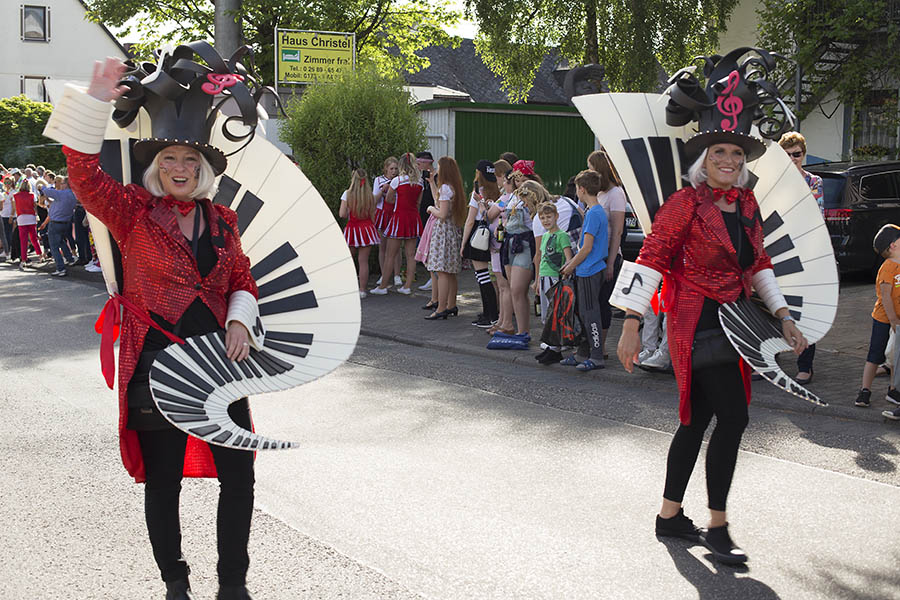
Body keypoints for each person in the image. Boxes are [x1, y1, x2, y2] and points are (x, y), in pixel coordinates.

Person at [45, 52, 269, 599]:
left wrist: (240, 320)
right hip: (156, 363)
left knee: (239, 477)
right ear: (156, 163)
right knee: (163, 481)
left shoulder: (223, 220)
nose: (179, 166)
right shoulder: (130, 212)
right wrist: (97, 99)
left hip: (220, 367)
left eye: (189, 158)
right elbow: (81, 170)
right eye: (170, 156)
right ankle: (175, 581)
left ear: (203, 167)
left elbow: (241, 279)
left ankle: (232, 585)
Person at [611, 48, 811, 564]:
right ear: (704, 160)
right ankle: (718, 526)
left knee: (697, 422)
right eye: (719, 154)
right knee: (736, 417)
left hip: (738, 319)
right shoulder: (683, 204)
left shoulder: (746, 203)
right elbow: (650, 259)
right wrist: (631, 324)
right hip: (695, 321)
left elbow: (760, 263)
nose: (728, 161)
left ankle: (670, 516)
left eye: (737, 155)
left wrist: (784, 317)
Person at [779, 131, 824, 385]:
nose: (793, 159)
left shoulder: (814, 182)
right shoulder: (775, 183)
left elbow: (815, 216)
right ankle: (770, 357)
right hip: (781, 254)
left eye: (797, 154)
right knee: (776, 308)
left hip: (807, 255)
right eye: (787, 155)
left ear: (804, 155)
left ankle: (805, 365)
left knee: (807, 311)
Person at [561, 170, 609, 371]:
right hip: (585, 269)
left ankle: (596, 355)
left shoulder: (594, 213)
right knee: (582, 313)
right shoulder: (593, 211)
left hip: (589, 270)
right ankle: (582, 353)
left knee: (590, 314)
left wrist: (570, 265)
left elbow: (587, 247)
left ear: (581, 189)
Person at [855, 225, 900, 411]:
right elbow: (885, 296)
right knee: (875, 355)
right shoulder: (888, 267)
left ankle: (893, 390)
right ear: (893, 245)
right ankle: (864, 391)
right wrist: (892, 320)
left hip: (897, 321)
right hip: (884, 319)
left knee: (895, 357)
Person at [371, 152, 423, 295]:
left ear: (401, 165)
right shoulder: (419, 182)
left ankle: (383, 287)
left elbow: (388, 199)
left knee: (390, 254)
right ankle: (407, 287)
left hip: (399, 217)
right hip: (413, 218)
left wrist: (398, 202)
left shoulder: (397, 181)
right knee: (410, 255)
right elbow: (418, 202)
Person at [423, 156, 466, 319]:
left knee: (441, 271)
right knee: (450, 272)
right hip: (451, 231)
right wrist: (432, 183)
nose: (437, 170)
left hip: (443, 232)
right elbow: (440, 201)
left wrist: (430, 209)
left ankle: (441, 308)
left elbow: (441, 213)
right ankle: (451, 305)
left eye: (439, 168)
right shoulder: (451, 188)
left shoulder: (446, 189)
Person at [461, 160, 501, 327]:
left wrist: (463, 244)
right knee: (490, 278)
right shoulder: (499, 191)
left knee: (482, 278)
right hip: (493, 234)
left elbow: (470, 221)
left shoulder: (478, 193)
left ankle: (489, 316)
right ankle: (491, 314)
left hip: (478, 234)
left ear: (479, 174)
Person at [533, 202, 573, 364]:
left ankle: (556, 347)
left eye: (549, 217)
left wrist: (565, 274)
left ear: (556, 216)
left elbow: (569, 257)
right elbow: (542, 258)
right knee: (546, 312)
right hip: (544, 277)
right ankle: (551, 344)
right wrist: (537, 280)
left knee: (555, 312)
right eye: (542, 218)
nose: (546, 221)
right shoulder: (545, 236)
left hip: (555, 278)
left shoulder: (562, 235)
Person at [502, 179, 540, 341]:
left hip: (525, 243)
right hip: (510, 242)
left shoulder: (534, 200)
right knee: (515, 290)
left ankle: (524, 331)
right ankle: (521, 331)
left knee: (517, 289)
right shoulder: (512, 197)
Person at [340, 168, 380, 298]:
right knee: (363, 261)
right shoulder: (370, 196)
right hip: (367, 229)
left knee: (349, 261)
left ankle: (347, 289)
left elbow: (342, 214)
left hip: (352, 229)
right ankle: (362, 290)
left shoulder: (347, 194)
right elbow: (373, 216)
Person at [39, 175, 78, 277]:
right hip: (65, 222)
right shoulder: (73, 195)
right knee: (60, 241)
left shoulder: (62, 194)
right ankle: (69, 258)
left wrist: (41, 186)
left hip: (56, 222)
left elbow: (47, 191)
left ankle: (60, 268)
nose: (60, 185)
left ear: (65, 184)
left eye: (62, 183)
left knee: (54, 246)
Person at [372, 156, 402, 288]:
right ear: (386, 169)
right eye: (391, 169)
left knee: (396, 247)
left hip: (395, 213)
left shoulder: (400, 180)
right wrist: (384, 189)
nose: (394, 171)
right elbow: (374, 200)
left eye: (396, 168)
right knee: (382, 246)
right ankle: (384, 274)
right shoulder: (378, 180)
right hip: (382, 213)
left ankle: (397, 275)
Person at [13, 178, 42, 269]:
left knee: (23, 240)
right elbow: (35, 207)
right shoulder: (32, 195)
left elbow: (15, 208)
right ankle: (40, 255)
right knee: (34, 238)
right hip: (31, 217)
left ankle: (24, 259)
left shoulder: (16, 196)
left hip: (21, 218)